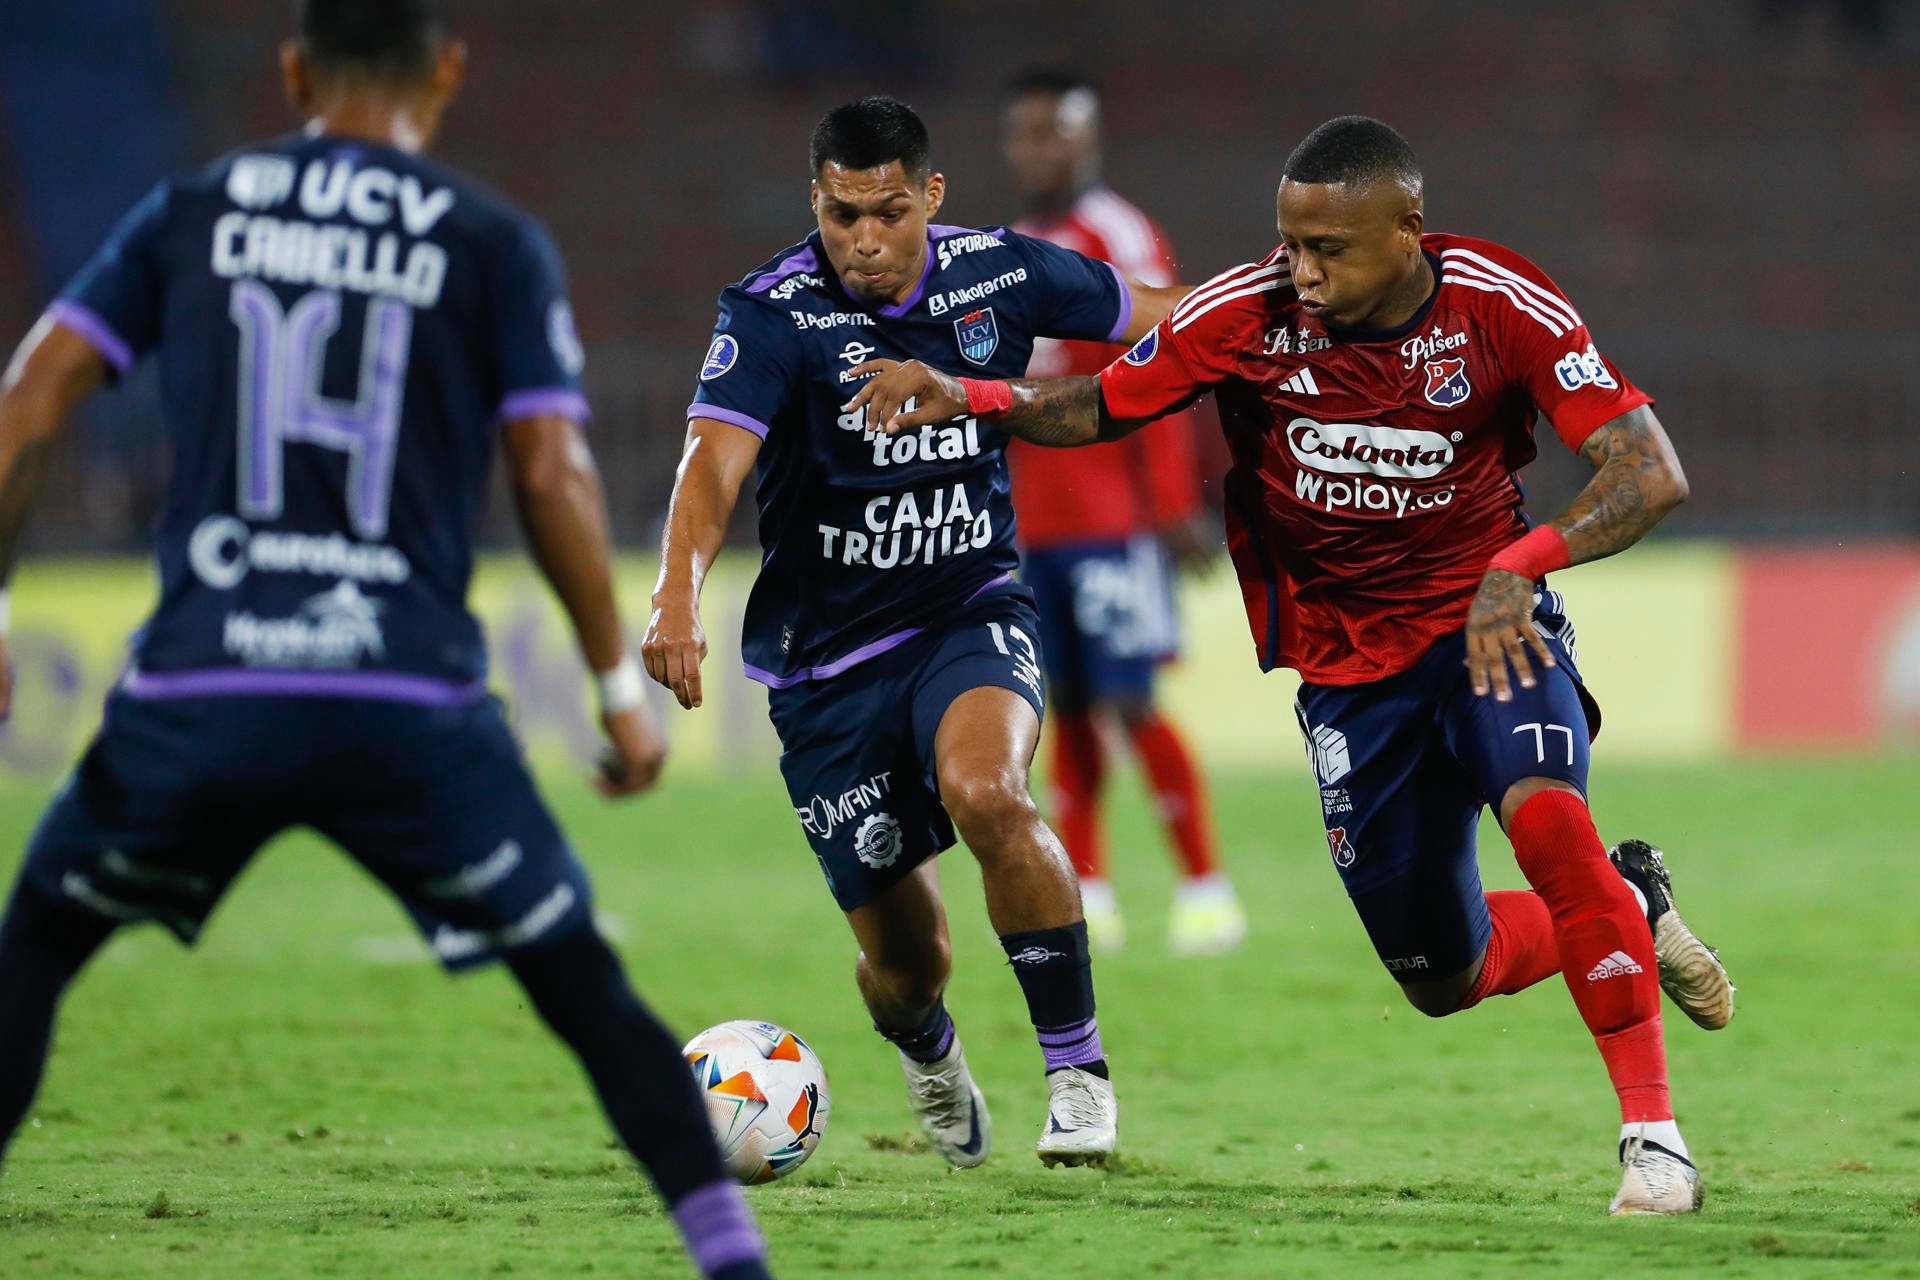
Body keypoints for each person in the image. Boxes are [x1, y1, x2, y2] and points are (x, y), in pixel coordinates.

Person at [0, 4, 772, 1276]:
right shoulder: (488, 240)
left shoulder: (191, 212)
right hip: (402, 697)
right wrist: (608, 688)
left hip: (205, 680)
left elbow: (33, 395)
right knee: (578, 980)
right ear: (450, 70)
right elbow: (550, 466)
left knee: (34, 941)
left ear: (296, 69)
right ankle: (731, 1257)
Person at [848, 115, 1736, 1215]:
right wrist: (977, 394)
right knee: (1439, 976)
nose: (1303, 273)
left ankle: (1655, 1142)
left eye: (1331, 250)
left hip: (1487, 629)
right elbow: (1101, 403)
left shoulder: (1501, 304)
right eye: (1291, 244)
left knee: (1551, 820)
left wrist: (1526, 560)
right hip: (1348, 673)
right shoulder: (1244, 312)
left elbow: (1649, 471)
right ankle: (1630, 905)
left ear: (1408, 229)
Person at [642, 97, 1185, 1170]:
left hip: (967, 608)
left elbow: (1169, 316)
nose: (866, 240)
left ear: (930, 198)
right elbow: (712, 463)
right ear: (817, 203)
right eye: (843, 215)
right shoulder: (771, 313)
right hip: (826, 664)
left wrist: (1298, 318)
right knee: (907, 962)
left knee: (990, 789)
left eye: (889, 212)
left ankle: (1077, 1075)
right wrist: (673, 593)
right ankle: (927, 1050)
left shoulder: (1001, 271)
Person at [999, 68, 1243, 957]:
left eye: (1054, 132)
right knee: (1063, 703)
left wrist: (1172, 504)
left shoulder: (1119, 235)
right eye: (1025, 134)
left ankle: (1205, 886)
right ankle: (1089, 886)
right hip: (1032, 521)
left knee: (1132, 696)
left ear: (1088, 138)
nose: (1038, 151)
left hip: (1114, 518)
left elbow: (1164, 368)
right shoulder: (1013, 243)